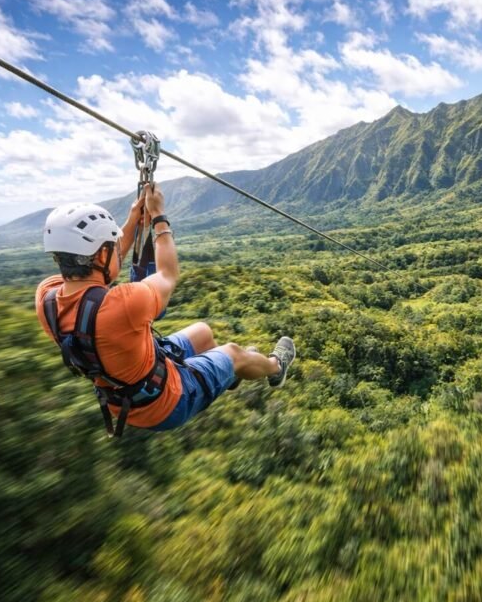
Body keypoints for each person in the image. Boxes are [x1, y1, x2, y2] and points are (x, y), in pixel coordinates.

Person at [34, 182, 296, 435]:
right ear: (102, 255)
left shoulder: (47, 298)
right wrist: (159, 216)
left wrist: (132, 226)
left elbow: (98, 275)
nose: (117, 250)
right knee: (235, 352)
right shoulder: (123, 303)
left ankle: (229, 375)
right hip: (167, 402)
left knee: (202, 333)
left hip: (123, 393)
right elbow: (168, 274)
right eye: (112, 247)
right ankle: (275, 368)